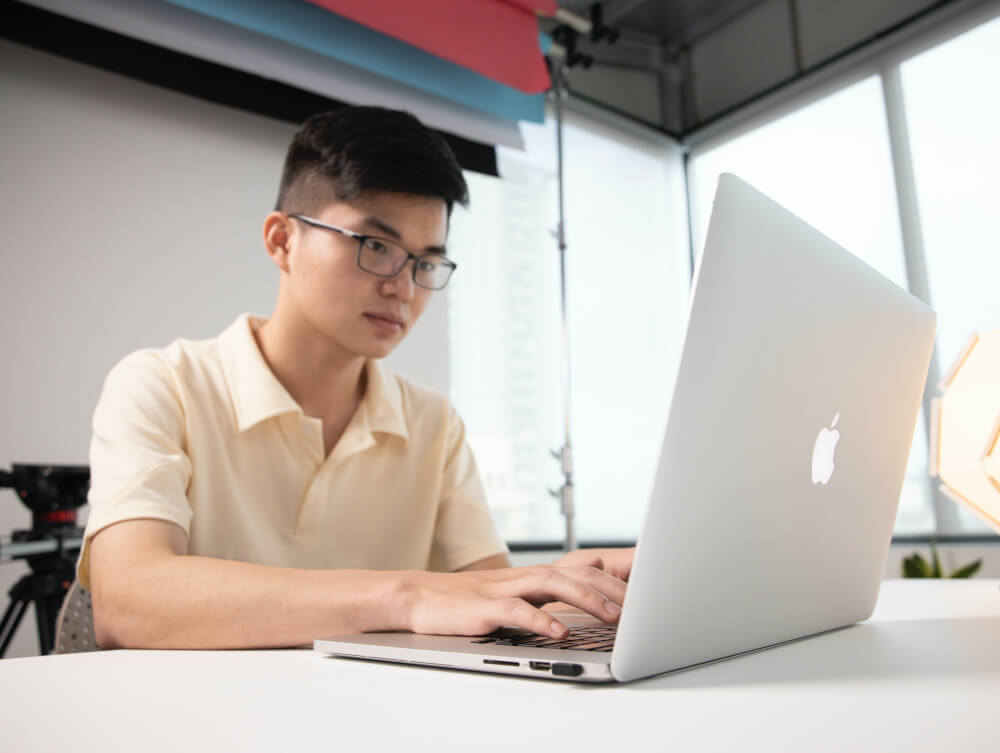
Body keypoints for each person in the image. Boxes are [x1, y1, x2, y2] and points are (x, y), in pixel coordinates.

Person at [81, 106, 633, 650]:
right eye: (376, 247)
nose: (404, 288)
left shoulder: (432, 424)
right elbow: (127, 600)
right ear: (282, 240)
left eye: (425, 262)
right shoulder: (163, 385)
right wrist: (405, 596)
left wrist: (579, 586)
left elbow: (485, 602)